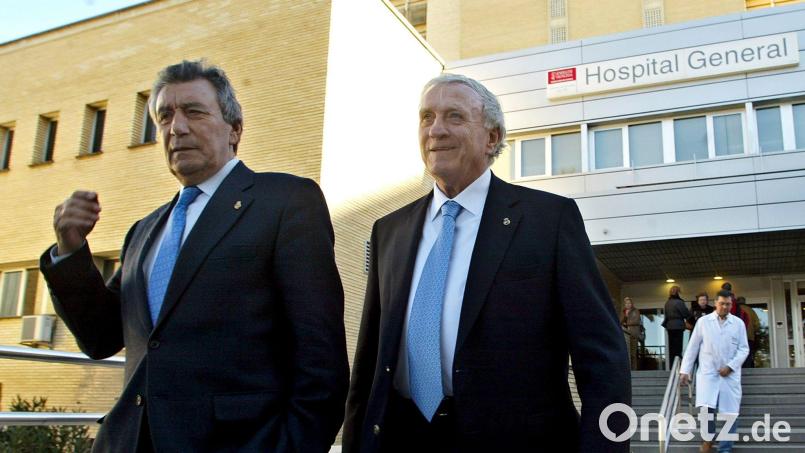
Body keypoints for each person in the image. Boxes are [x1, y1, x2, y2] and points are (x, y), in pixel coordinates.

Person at [40, 60, 349, 453]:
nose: (177, 127)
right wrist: (70, 250)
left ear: (234, 129)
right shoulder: (144, 231)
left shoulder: (285, 202)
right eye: (164, 116)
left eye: (194, 112)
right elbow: (101, 339)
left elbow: (320, 359)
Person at [343, 74, 630, 453]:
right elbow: (369, 363)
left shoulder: (548, 220)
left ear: (491, 137)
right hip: (402, 436)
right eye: (427, 117)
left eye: (455, 117)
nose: (436, 130)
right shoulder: (389, 230)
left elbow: (603, 358)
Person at [680, 290, 749, 453]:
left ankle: (725, 449)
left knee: (730, 414)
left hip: (730, 376)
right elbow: (693, 347)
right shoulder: (703, 322)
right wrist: (685, 370)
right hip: (708, 374)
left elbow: (744, 349)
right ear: (715, 303)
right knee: (706, 410)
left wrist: (731, 366)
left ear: (732, 305)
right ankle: (707, 441)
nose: (725, 307)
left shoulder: (738, 323)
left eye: (728, 304)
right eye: (722, 303)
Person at [663, 285, 691, 364]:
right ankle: (678, 364)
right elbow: (685, 313)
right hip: (678, 326)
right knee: (678, 348)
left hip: (669, 326)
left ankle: (672, 366)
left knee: (671, 348)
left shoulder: (667, 303)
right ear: (678, 292)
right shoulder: (679, 302)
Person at [737, 297, 760, 368]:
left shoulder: (736, 310)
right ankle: (748, 369)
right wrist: (754, 331)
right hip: (749, 336)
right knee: (748, 354)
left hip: (737, 337)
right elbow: (757, 324)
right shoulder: (751, 311)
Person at [621, 297, 643, 371]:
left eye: (629, 303)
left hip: (634, 333)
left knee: (633, 353)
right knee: (627, 353)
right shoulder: (624, 311)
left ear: (632, 304)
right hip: (626, 334)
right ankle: (628, 370)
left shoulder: (635, 311)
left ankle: (634, 370)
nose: (628, 304)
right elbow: (621, 322)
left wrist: (627, 323)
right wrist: (625, 316)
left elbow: (637, 321)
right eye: (626, 303)